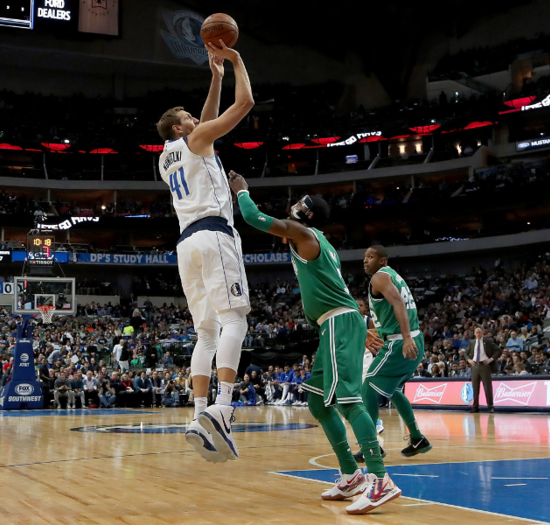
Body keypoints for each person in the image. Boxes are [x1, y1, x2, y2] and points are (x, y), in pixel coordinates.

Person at [229, 173, 399, 515]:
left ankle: (381, 480)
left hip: (339, 322)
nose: (291, 206)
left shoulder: (304, 233)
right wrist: (356, 325)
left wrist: (242, 191)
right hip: (336, 322)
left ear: (304, 213)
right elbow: (333, 286)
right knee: (318, 402)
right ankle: (351, 474)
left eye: (297, 203)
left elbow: (252, 218)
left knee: (348, 400)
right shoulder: (315, 238)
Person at [157, 40, 254, 464]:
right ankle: (225, 408)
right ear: (180, 128)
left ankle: (198, 415)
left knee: (206, 333)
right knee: (235, 319)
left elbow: (206, 122)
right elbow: (245, 103)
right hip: (215, 235)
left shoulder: (166, 158)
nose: (196, 120)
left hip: (185, 244)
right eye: (188, 119)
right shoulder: (196, 139)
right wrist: (235, 62)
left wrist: (214, 78)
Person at [360, 245, 431, 461]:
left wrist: (406, 337)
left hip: (401, 341)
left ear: (382, 261)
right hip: (412, 338)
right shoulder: (393, 276)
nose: (365, 260)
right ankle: (417, 438)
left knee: (368, 387)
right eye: (364, 257)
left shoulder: (379, 278)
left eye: (370, 257)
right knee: (395, 391)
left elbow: (398, 302)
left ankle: (371, 446)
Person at [356, 298, 384, 435]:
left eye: (361, 305)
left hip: (367, 357)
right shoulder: (349, 320)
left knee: (365, 392)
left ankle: (376, 422)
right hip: (353, 359)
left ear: (365, 308)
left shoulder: (369, 321)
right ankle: (367, 420)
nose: (358, 307)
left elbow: (380, 335)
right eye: (356, 305)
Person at [465, 327, 502, 413]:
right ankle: (475, 406)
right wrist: (469, 360)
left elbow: (498, 350)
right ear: (474, 333)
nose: (478, 334)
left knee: (487, 387)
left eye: (479, 332)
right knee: (475, 387)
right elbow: (466, 353)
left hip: (485, 365)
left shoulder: (487, 341)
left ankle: (490, 406)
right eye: (476, 332)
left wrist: (491, 359)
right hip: (474, 366)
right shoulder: (472, 342)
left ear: (482, 333)